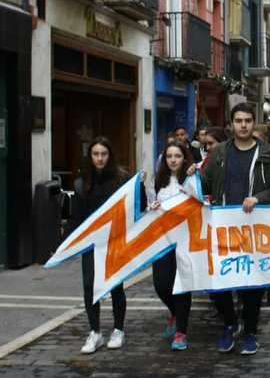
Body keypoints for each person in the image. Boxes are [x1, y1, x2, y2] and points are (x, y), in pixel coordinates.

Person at [201, 103, 270, 355]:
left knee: (252, 284)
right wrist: (191, 178)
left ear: (254, 123)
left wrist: (259, 198)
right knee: (218, 282)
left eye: (248, 121)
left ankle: (250, 331)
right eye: (238, 121)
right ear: (231, 124)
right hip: (224, 228)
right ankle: (230, 324)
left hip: (255, 228)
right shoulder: (220, 153)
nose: (243, 125)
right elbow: (205, 183)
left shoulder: (268, 154)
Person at [70, 136, 133, 354]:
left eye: (104, 154)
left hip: (114, 240)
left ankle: (118, 329)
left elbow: (135, 206)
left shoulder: (122, 179)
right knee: (89, 285)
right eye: (96, 154)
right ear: (90, 156)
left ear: (110, 155)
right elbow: (77, 217)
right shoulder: (82, 183)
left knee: (115, 285)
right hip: (91, 242)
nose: (99, 158)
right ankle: (95, 331)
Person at [147, 140, 199, 351]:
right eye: (169, 156)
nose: (173, 160)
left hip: (185, 240)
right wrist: (152, 207)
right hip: (162, 240)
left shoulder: (191, 179)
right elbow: (150, 207)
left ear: (184, 158)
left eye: (177, 156)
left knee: (182, 285)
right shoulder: (158, 181)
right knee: (161, 284)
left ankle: (181, 331)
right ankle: (176, 313)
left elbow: (199, 203)